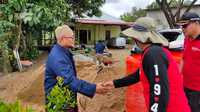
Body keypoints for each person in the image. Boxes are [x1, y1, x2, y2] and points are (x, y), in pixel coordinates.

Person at [103, 17, 191, 112]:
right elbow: (138, 75)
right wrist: (114, 83)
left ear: (138, 37)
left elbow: (159, 90)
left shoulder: (153, 54)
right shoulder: (152, 51)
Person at [44, 25, 108, 111]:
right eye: (72, 37)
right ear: (63, 38)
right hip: (59, 102)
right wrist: (94, 88)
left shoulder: (63, 51)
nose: (74, 39)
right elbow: (70, 80)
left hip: (66, 99)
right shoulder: (58, 57)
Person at [178, 12, 200, 112]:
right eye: (181, 26)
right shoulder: (186, 39)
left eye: (185, 25)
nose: (182, 28)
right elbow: (183, 58)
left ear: (196, 23)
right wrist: (177, 76)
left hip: (198, 91)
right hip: (185, 86)